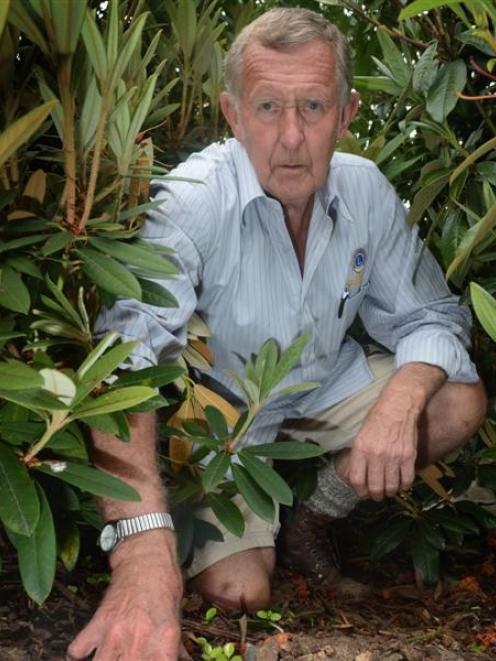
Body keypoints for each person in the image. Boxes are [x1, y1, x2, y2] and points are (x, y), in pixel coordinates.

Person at [67, 7, 486, 660]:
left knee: (455, 397)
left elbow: (433, 316)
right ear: (233, 116)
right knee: (239, 593)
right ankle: (231, 515)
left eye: (313, 106)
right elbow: (123, 361)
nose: (291, 136)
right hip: (230, 418)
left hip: (323, 392)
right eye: (267, 108)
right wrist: (141, 555)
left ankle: (313, 517)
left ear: (345, 115)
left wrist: (402, 398)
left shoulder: (367, 191)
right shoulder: (190, 199)